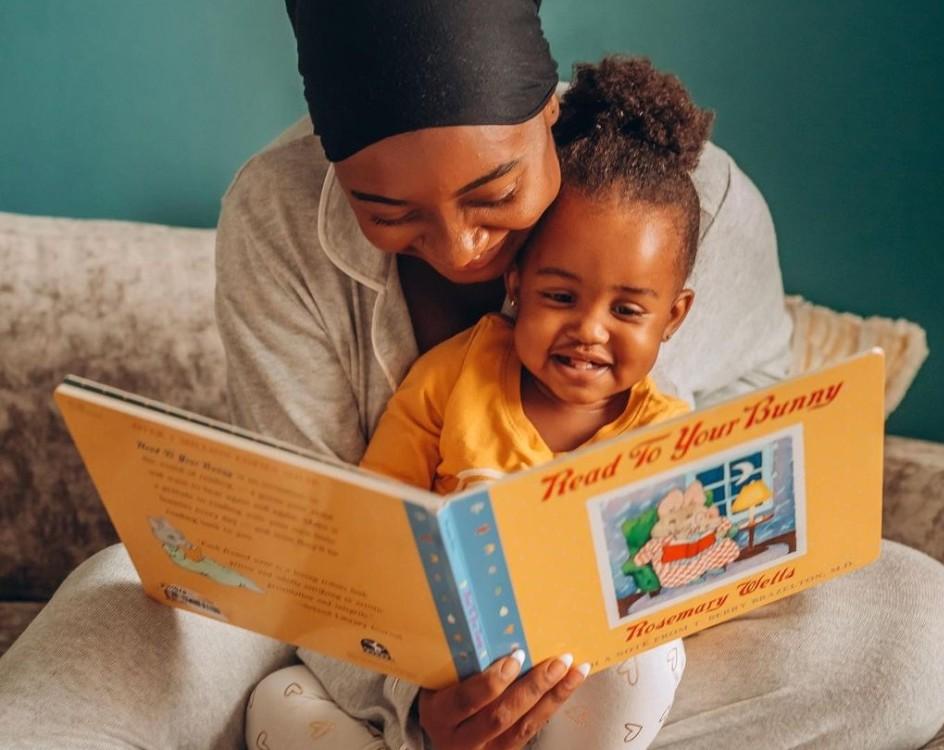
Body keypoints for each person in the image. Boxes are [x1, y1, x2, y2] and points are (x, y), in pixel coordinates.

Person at [213, 2, 944, 749]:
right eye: (387, 213)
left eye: (496, 194)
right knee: (137, 592)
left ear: (549, 111)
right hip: (362, 653)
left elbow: (749, 433)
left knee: (919, 620)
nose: (458, 251)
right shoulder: (275, 214)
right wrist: (416, 703)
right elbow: (309, 543)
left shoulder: (690, 200)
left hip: (628, 668)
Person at [246, 55, 714, 750]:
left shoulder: (672, 436)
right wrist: (416, 690)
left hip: (580, 689)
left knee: (650, 663)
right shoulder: (451, 379)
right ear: (517, 283)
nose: (589, 330)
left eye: (626, 310)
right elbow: (367, 532)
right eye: (561, 297)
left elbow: (690, 589)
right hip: (425, 668)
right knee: (276, 700)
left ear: (671, 320)